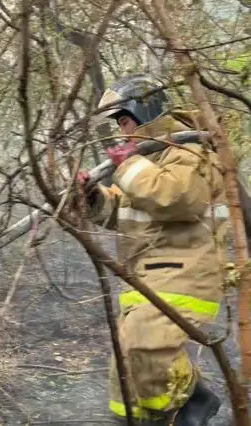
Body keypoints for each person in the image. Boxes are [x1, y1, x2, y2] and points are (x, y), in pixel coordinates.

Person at [76, 73, 227, 425]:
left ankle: (194, 399)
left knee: (148, 346)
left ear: (144, 112)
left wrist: (129, 164)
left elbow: (178, 198)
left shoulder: (191, 150)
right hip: (146, 278)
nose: (122, 132)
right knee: (127, 369)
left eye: (124, 121)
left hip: (186, 275)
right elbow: (123, 213)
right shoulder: (149, 160)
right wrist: (92, 196)